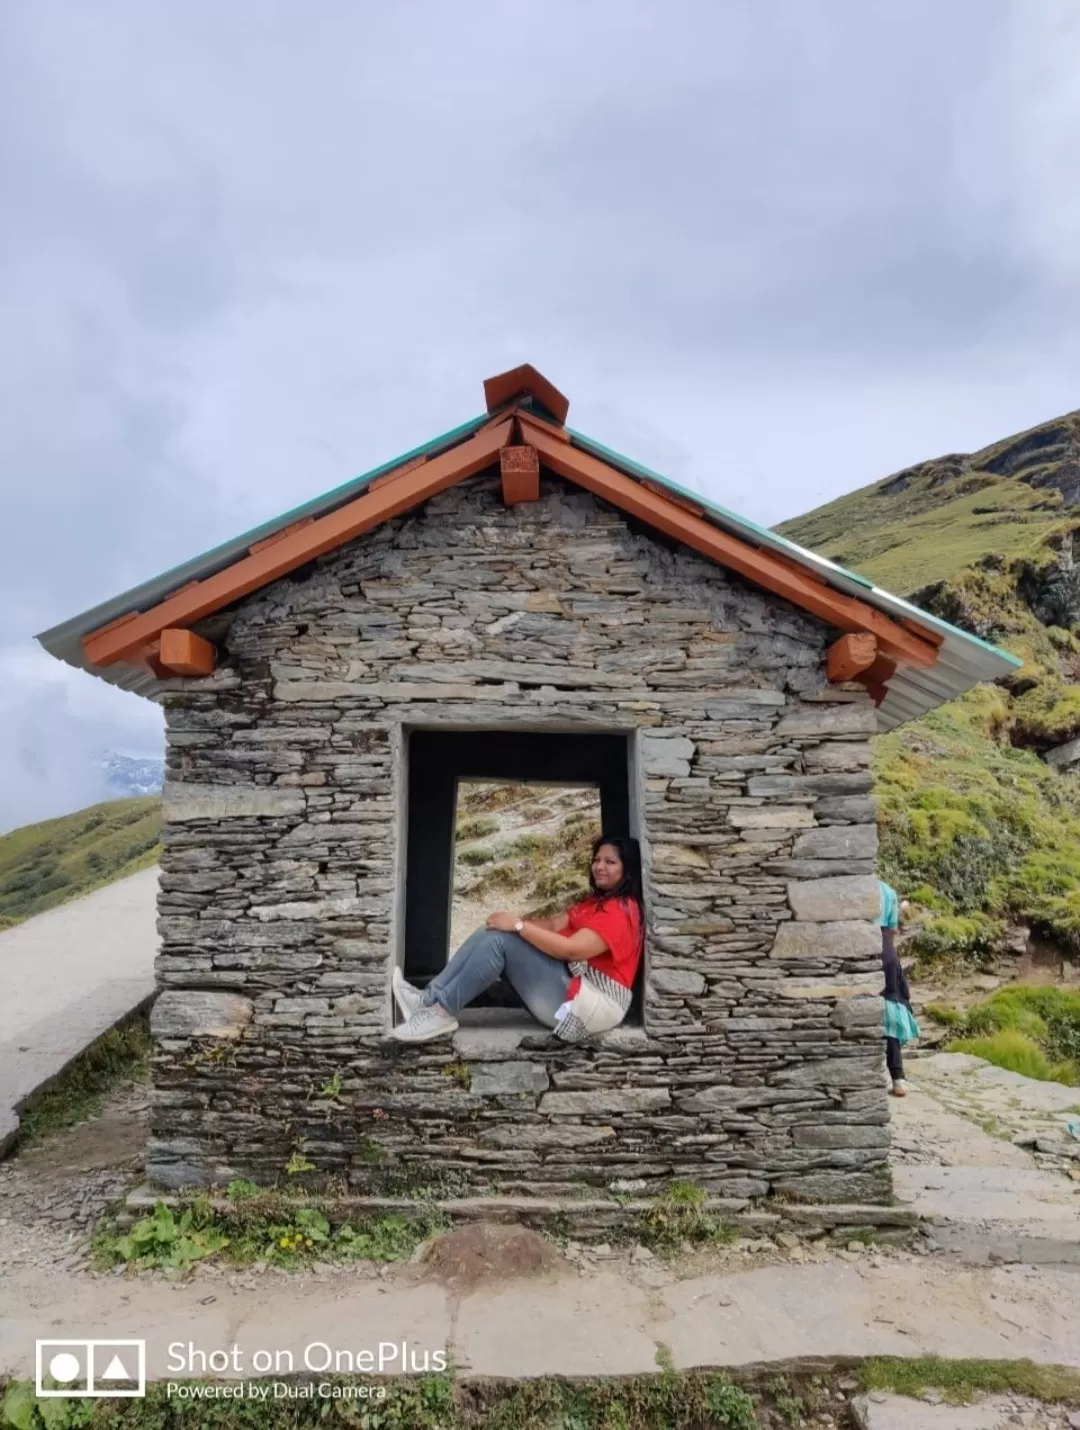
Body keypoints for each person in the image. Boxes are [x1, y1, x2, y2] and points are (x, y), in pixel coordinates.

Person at [391, 834, 645, 1045]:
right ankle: (425, 1000)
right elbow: (555, 924)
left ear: (628, 870)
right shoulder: (597, 902)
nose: (599, 866)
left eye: (610, 862)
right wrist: (510, 923)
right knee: (492, 931)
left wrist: (519, 926)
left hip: (586, 1007)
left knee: (501, 942)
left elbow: (571, 950)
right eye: (597, 859)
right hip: (570, 988)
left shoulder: (622, 911)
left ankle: (442, 1013)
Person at [879, 879, 918, 1096]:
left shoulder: (854, 887)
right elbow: (893, 929)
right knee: (890, 1013)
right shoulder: (888, 891)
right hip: (887, 953)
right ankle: (898, 1078)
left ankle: (877, 1072)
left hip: (861, 950)